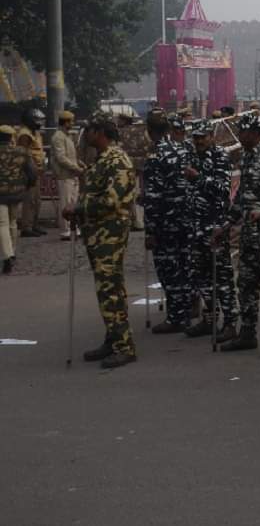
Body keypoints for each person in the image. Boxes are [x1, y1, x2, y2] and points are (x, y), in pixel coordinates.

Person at [64, 113, 138, 369]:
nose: (87, 136)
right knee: (110, 289)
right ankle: (113, 337)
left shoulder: (117, 160)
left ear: (101, 133)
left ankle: (124, 346)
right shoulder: (102, 160)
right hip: (98, 235)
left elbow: (111, 200)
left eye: (91, 131)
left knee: (110, 290)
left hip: (110, 235)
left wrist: (79, 207)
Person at [216, 113, 260, 359]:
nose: (242, 136)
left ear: (258, 135)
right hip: (248, 234)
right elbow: (242, 197)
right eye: (241, 132)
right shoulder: (246, 158)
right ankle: (247, 333)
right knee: (246, 284)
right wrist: (226, 224)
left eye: (246, 132)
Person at [183, 121, 237, 341]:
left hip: (214, 225)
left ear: (211, 137)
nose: (198, 141)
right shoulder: (192, 156)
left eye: (202, 137)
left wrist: (198, 178)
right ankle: (209, 318)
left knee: (222, 276)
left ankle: (231, 321)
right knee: (202, 276)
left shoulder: (220, 157)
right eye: (195, 137)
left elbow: (224, 190)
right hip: (196, 225)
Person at [140, 110, 193, 334]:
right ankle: (188, 310)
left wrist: (150, 230)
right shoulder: (184, 149)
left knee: (169, 270)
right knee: (185, 265)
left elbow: (153, 198)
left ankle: (176, 316)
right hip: (187, 218)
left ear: (149, 131)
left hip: (166, 222)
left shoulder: (155, 157)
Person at [0, 125, 38, 274]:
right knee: (13, 222)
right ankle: (13, 252)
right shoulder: (22, 152)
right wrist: (28, 185)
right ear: (11, 137)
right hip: (16, 193)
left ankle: (7, 256)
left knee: (2, 223)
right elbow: (32, 172)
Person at [50, 111, 85, 241]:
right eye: (71, 121)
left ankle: (74, 229)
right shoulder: (58, 137)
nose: (73, 123)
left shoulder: (67, 136)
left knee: (73, 202)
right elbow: (61, 158)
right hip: (64, 175)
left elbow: (72, 155)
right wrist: (77, 168)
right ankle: (65, 231)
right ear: (65, 122)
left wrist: (80, 164)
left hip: (72, 174)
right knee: (65, 203)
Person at [17, 108, 47, 237]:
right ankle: (26, 227)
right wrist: (31, 171)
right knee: (29, 200)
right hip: (29, 171)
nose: (39, 123)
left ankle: (34, 224)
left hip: (37, 170)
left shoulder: (34, 132)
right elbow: (24, 155)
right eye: (37, 120)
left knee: (37, 200)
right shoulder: (25, 134)